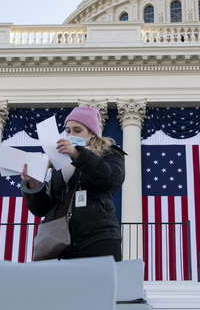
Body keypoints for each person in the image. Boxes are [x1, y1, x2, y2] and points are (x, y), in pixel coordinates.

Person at [21, 106, 125, 261]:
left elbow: (111, 179)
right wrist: (34, 185)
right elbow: (41, 209)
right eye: (68, 130)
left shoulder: (110, 153)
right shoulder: (56, 161)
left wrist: (78, 155)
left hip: (97, 239)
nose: (71, 135)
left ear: (92, 134)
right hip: (57, 243)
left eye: (77, 130)